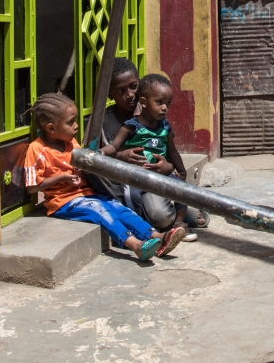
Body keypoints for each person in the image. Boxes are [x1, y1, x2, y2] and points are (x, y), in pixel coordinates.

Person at [21, 92, 185, 262]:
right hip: (63, 202)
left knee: (118, 208)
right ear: (51, 128)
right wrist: (61, 177)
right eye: (70, 123)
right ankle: (135, 245)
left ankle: (156, 236)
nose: (76, 126)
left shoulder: (71, 143)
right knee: (101, 212)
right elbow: (32, 187)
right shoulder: (37, 149)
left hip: (87, 195)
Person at [86, 59, 209, 236]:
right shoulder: (101, 120)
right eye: (121, 90)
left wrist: (168, 166)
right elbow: (91, 157)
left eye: (133, 86)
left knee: (161, 216)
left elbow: (169, 152)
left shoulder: (154, 110)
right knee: (96, 175)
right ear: (110, 94)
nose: (130, 94)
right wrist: (120, 158)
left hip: (150, 178)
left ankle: (174, 216)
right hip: (120, 182)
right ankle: (160, 218)